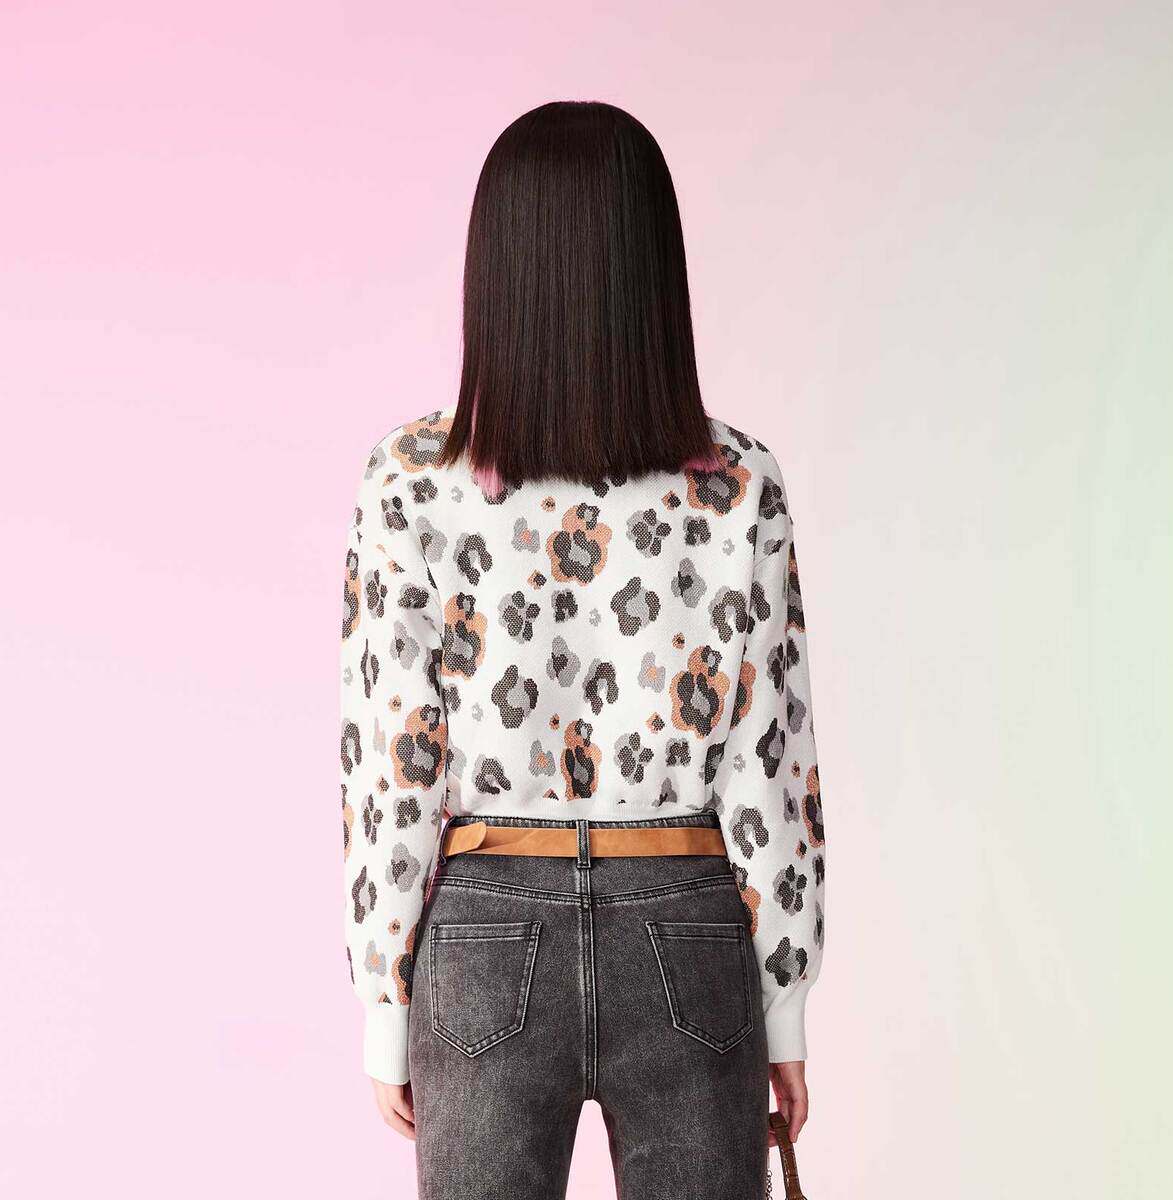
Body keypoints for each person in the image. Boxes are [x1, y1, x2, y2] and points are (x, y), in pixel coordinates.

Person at [339, 99, 825, 1199]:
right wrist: (784, 1002)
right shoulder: (737, 483)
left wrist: (383, 999)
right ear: (654, 272)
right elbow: (769, 759)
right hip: (689, 924)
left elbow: (393, 757)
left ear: (497, 269)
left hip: (481, 932)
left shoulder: (410, 480)